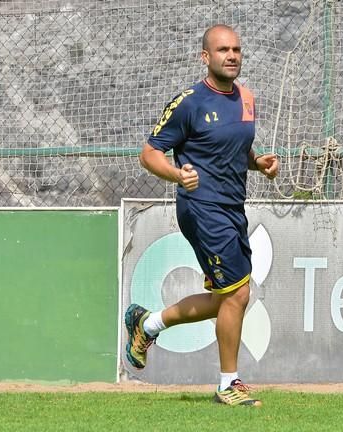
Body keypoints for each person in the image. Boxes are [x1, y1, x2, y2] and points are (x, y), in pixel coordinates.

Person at [124, 24, 278, 407]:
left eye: (237, 49)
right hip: (201, 208)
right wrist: (177, 174)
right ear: (205, 57)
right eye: (223, 49)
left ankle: (149, 323)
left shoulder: (246, 98)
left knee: (229, 297)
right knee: (237, 293)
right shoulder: (188, 102)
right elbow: (150, 153)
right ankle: (229, 384)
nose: (232, 55)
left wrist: (258, 163)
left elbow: (235, 148)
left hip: (232, 207)